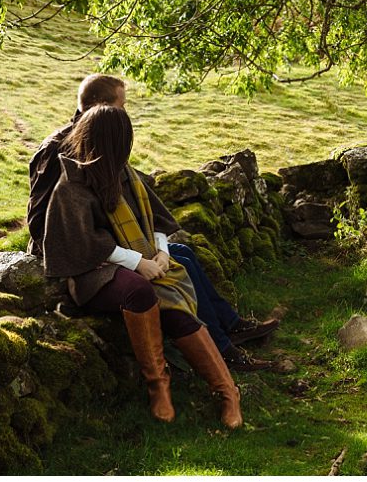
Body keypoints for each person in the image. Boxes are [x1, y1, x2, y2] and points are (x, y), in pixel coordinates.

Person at [29, 74, 280, 371]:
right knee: (166, 273)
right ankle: (222, 350)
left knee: (183, 254)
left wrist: (159, 248)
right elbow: (43, 219)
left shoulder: (107, 134)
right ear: (99, 105)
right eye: (122, 105)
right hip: (84, 250)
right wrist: (130, 258)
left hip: (115, 239)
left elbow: (135, 202)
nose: (126, 112)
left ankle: (230, 326)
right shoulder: (62, 147)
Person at [39, 106, 241, 428]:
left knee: (174, 309)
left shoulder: (126, 176)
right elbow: (83, 244)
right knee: (138, 291)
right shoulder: (71, 186)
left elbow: (156, 220)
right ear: (108, 142)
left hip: (146, 260)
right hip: (94, 273)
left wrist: (161, 254)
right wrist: (137, 263)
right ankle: (158, 386)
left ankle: (228, 391)